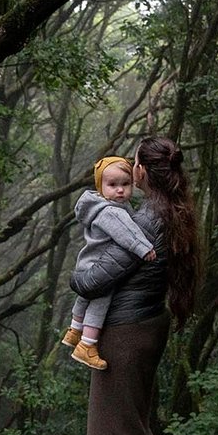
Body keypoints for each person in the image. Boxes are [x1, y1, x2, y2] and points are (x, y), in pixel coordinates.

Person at [72, 135, 200, 435]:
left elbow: (94, 280)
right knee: (140, 426)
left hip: (127, 331)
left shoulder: (145, 220)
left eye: (133, 165)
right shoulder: (171, 211)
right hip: (148, 323)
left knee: (128, 432)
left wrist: (76, 278)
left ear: (142, 171)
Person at [61, 156, 157, 370]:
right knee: (100, 301)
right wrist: (145, 249)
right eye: (112, 185)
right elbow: (128, 234)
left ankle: (75, 330)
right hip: (100, 266)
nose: (120, 190)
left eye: (125, 184)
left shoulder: (100, 206)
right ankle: (87, 344)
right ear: (100, 186)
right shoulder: (111, 211)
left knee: (85, 298)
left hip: (87, 262)